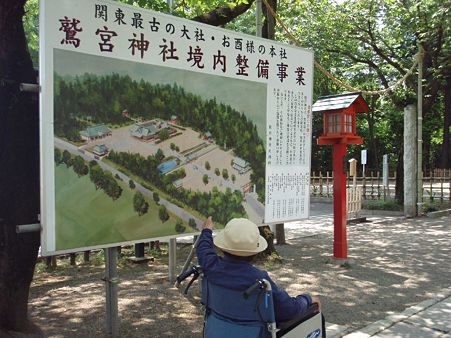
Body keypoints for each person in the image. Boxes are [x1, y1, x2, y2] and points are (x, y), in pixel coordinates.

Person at [197, 217, 325, 336]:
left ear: (223, 247)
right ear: (254, 252)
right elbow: (289, 310)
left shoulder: (211, 266)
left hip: (216, 332)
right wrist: (308, 299)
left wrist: (207, 230)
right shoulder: (259, 280)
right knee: (314, 312)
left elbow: (203, 249)